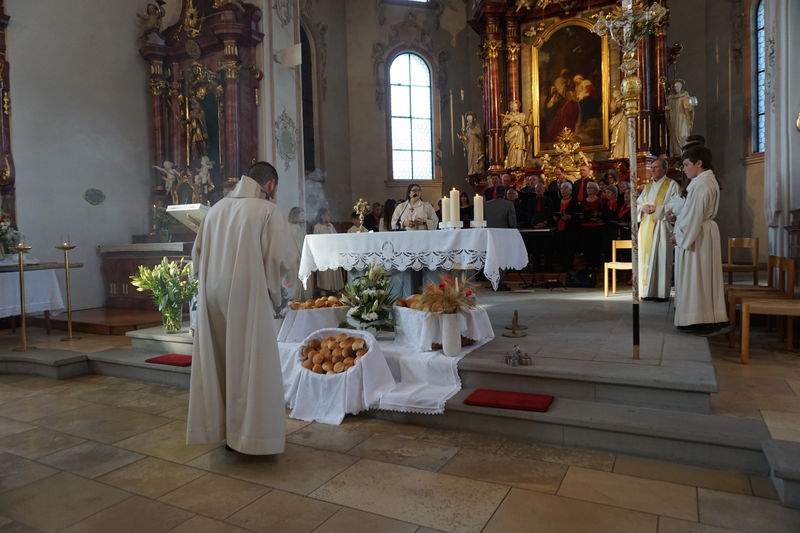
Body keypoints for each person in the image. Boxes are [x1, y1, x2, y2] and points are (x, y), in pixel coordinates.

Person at [187, 161, 291, 455]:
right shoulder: (267, 210)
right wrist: (278, 296)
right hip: (247, 292)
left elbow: (197, 257)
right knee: (249, 364)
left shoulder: (215, 209)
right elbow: (278, 260)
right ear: (270, 185)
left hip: (212, 291)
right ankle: (251, 437)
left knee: (221, 361)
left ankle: (223, 431)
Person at [671, 146, 727, 330]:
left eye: (686, 164)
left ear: (699, 163)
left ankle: (697, 319)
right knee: (702, 277)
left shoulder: (702, 184)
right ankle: (704, 317)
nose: (684, 169)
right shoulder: (704, 181)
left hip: (697, 235)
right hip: (700, 232)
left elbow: (694, 215)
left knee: (697, 278)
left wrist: (678, 236)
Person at [637, 158, 679, 301]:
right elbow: (639, 202)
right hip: (646, 225)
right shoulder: (647, 186)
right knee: (646, 259)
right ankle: (647, 292)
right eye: (652, 167)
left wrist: (657, 209)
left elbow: (676, 205)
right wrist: (642, 207)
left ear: (664, 169)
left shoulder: (671, 184)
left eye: (656, 167)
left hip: (662, 226)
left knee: (662, 258)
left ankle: (661, 293)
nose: (652, 170)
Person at [313, 208, 345, 294]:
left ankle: (335, 287)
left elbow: (336, 236)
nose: (329, 216)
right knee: (324, 271)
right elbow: (316, 240)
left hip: (332, 251)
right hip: (323, 252)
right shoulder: (317, 227)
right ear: (322, 216)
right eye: (328, 214)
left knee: (334, 266)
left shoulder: (330, 225)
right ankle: (323, 289)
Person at [287, 206, 313, 302]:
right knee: (294, 278)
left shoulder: (300, 227)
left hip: (300, 255)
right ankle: (295, 297)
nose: (303, 216)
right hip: (293, 256)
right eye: (301, 215)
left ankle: (303, 296)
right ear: (295, 215)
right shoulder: (290, 227)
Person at [666, 79, 698, 157]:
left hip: (682, 118)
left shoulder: (685, 95)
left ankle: (684, 152)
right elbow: (668, 110)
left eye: (678, 86)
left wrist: (690, 105)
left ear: (681, 87)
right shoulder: (670, 98)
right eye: (675, 87)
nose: (677, 88)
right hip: (674, 118)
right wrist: (667, 110)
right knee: (674, 134)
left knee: (683, 135)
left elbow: (689, 108)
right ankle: (676, 152)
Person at [553, 181, 579, 272]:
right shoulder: (557, 202)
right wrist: (554, 217)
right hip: (559, 229)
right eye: (561, 189)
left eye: (565, 188)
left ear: (570, 190)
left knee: (569, 249)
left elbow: (578, 216)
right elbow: (553, 212)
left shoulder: (574, 202)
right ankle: (563, 267)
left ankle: (569, 268)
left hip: (570, 230)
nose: (563, 191)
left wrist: (570, 217)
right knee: (560, 249)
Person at [502, 101, 529, 168]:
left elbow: (525, 125)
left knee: (519, 147)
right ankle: (512, 163)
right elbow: (503, 125)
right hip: (512, 131)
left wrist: (526, 128)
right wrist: (510, 121)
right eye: (513, 106)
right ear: (511, 107)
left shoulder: (522, 115)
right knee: (512, 147)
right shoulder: (509, 115)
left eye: (516, 106)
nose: (515, 107)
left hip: (520, 131)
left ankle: (519, 163)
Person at [458, 111, 485, 176]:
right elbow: (467, 138)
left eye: (470, 119)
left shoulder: (476, 126)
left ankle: (476, 170)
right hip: (470, 146)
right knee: (470, 158)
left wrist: (474, 131)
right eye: (468, 120)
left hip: (476, 145)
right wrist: (463, 138)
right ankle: (471, 170)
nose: (469, 121)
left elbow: (480, 134)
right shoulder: (468, 128)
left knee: (476, 157)